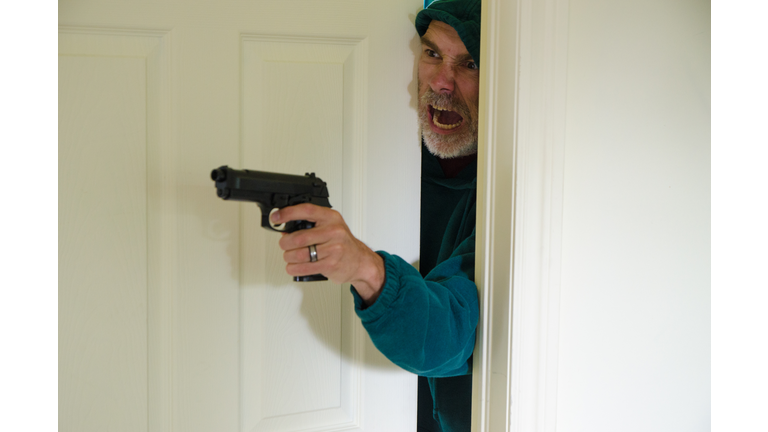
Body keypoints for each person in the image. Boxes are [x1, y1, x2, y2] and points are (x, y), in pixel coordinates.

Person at [270, 0, 481, 430]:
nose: (441, 82)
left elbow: (452, 333)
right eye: (432, 53)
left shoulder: (507, 198)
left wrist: (368, 270)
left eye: (469, 63)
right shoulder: (386, 154)